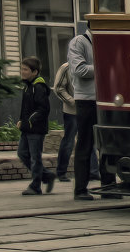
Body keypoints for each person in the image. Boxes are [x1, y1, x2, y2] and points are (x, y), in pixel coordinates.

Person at [67, 23, 116, 201]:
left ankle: (109, 186)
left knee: (107, 144)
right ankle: (80, 189)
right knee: (85, 144)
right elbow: (79, 69)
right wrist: (106, 67)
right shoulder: (79, 42)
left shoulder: (106, 43)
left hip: (106, 98)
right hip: (86, 100)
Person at [16, 56, 54, 195]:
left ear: (35, 72)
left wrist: (29, 121)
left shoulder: (38, 87)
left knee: (35, 158)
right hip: (27, 128)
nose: (22, 71)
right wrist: (21, 120)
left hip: (36, 129)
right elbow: (25, 107)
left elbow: (43, 109)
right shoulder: (27, 87)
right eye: (22, 68)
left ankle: (35, 186)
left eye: (25, 69)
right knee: (22, 153)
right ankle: (47, 176)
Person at [51, 61, 77, 182]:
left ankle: (92, 171)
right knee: (69, 140)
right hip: (72, 111)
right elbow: (58, 88)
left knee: (89, 139)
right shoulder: (66, 68)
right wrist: (72, 102)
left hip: (89, 109)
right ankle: (61, 172)